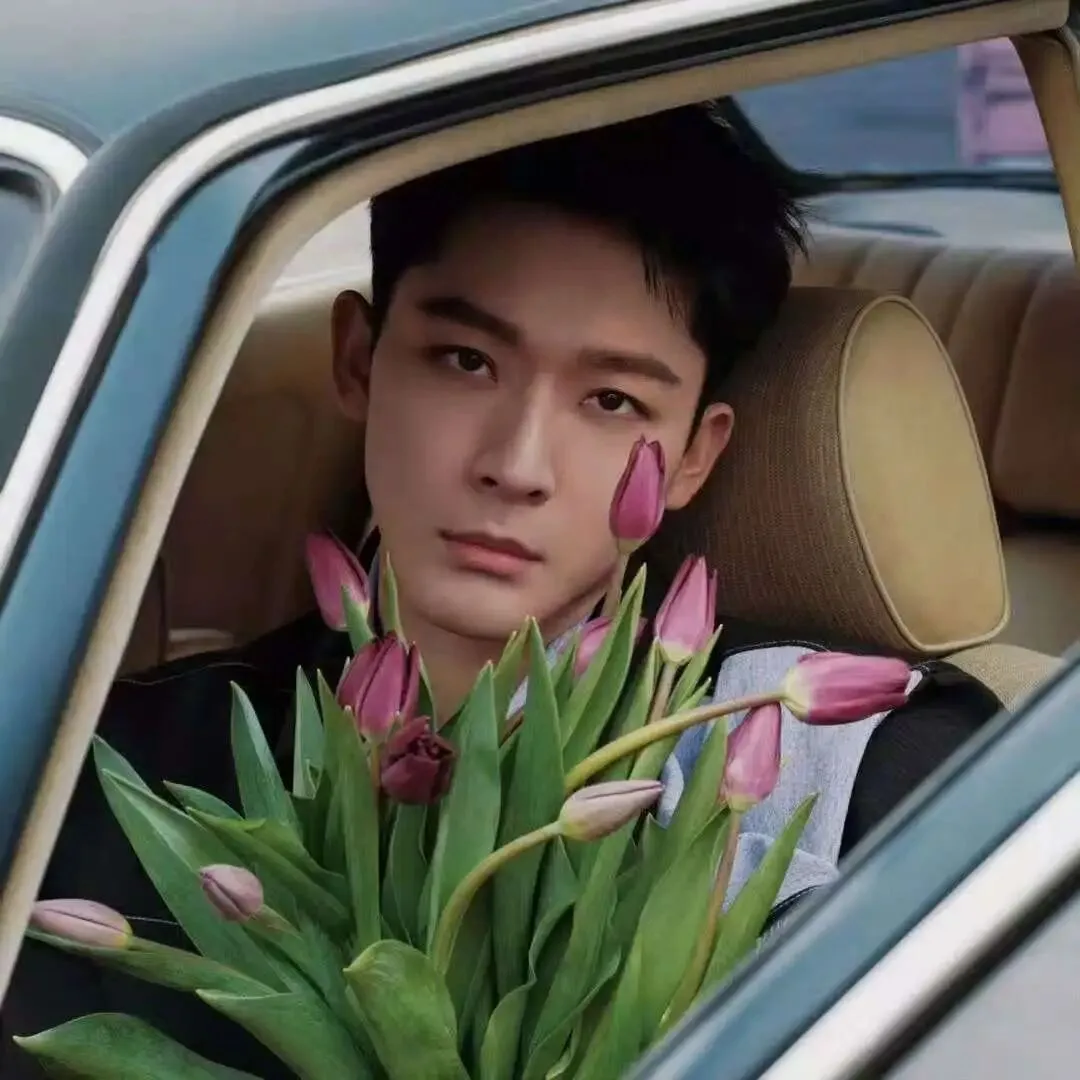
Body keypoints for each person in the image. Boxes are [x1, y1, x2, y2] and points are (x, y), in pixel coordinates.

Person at [2, 105, 1002, 1077]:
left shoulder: (868, 777)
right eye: (466, 361)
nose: (517, 465)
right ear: (358, 361)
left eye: (611, 400)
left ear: (693, 458)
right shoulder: (105, 782)